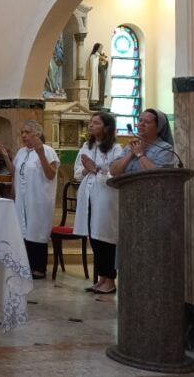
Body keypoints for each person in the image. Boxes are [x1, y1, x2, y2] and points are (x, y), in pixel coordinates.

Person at [73, 111, 124, 294]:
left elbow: (114, 174)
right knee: (93, 236)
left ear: (106, 127)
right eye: (91, 122)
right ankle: (101, 278)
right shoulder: (87, 145)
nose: (91, 125)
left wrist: (95, 169)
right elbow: (77, 172)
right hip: (88, 194)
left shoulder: (116, 149)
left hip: (106, 196)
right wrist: (87, 170)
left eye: (96, 122)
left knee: (105, 238)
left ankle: (110, 279)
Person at [12, 120, 60, 279]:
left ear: (37, 134)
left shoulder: (48, 151)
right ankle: (26, 265)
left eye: (27, 132)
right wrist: (5, 156)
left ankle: (39, 268)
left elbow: (51, 174)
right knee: (24, 230)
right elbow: (16, 171)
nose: (24, 135)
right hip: (23, 199)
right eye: (22, 132)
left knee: (37, 230)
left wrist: (40, 154)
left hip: (39, 198)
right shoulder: (21, 152)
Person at [110, 108, 176, 175]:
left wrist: (140, 155)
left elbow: (158, 176)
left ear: (158, 127)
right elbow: (113, 172)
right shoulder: (132, 146)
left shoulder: (165, 149)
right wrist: (131, 153)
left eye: (147, 122)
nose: (141, 124)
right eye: (140, 120)